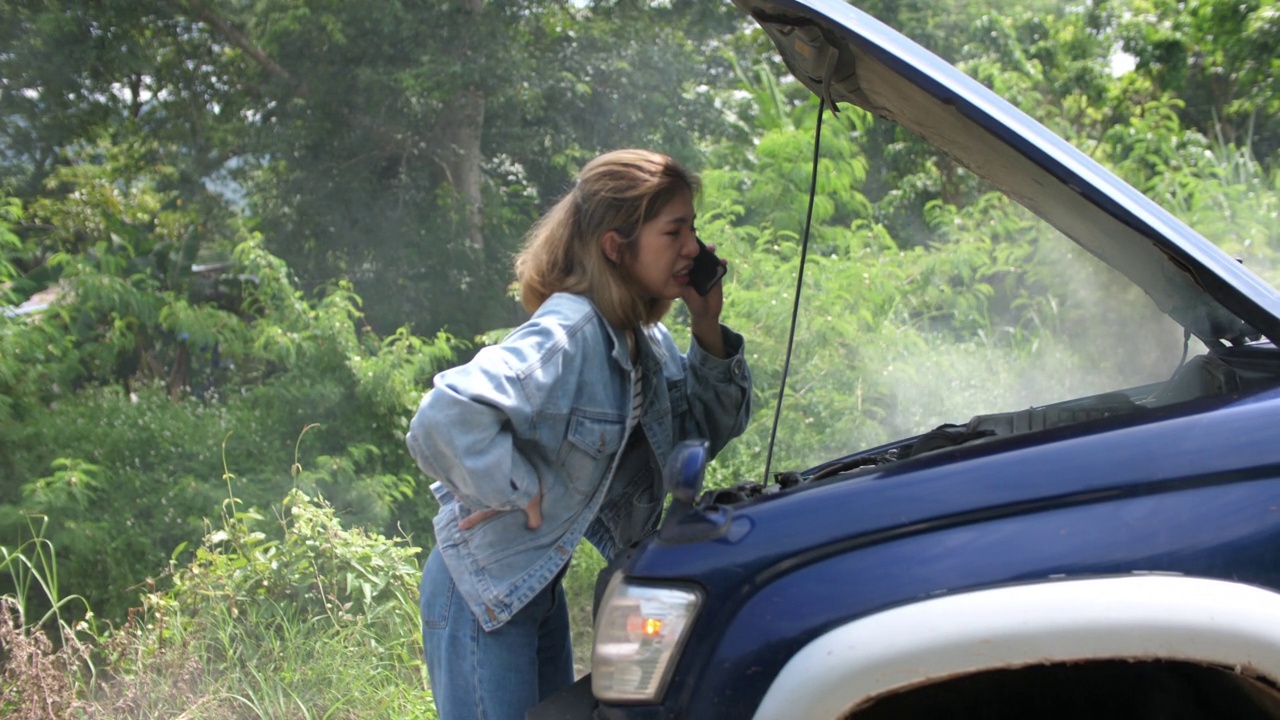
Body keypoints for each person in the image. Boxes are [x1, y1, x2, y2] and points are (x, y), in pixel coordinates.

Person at [406, 148, 753, 720]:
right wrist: (519, 489)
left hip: (532, 590)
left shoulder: (645, 339)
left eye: (692, 228)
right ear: (617, 248)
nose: (694, 247)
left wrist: (707, 325)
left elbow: (703, 435)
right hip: (481, 596)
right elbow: (446, 412)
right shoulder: (571, 330)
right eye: (675, 231)